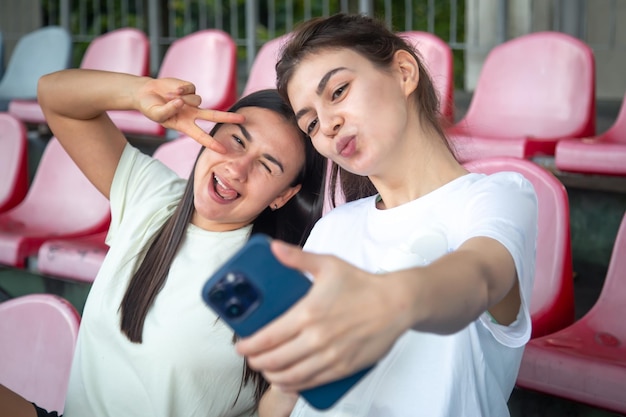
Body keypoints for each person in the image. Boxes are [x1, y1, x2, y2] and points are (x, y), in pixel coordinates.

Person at [237, 13, 539, 417]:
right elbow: (276, 406)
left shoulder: (496, 197)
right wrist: (290, 383)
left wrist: (393, 298)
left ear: (403, 71)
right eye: (309, 124)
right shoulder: (331, 229)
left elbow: (480, 276)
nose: (327, 124)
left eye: (339, 91)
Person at [6, 69, 326, 417]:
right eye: (237, 141)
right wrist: (140, 92)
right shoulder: (155, 198)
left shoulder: (273, 280)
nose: (237, 169)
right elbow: (54, 95)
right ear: (209, 132)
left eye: (266, 165)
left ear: (283, 195)